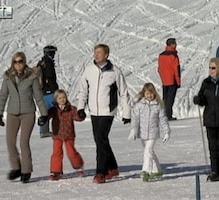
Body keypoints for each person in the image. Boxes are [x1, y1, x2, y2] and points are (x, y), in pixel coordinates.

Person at [77, 44, 132, 184]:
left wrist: (127, 112)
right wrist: (80, 108)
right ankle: (113, 167)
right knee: (101, 140)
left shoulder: (115, 72)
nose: (96, 55)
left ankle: (101, 172)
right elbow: (83, 90)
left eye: (99, 53)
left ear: (106, 55)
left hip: (108, 111)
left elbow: (124, 92)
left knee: (100, 139)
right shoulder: (89, 70)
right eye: (95, 52)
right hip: (94, 111)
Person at [0, 52, 49, 183]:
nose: (18, 64)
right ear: (12, 63)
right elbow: (3, 96)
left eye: (20, 61)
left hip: (28, 113)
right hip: (12, 113)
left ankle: (26, 170)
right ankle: (16, 168)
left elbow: (38, 97)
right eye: (15, 62)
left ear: (24, 62)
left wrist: (44, 114)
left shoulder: (32, 77)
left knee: (23, 142)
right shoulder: (8, 77)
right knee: (10, 142)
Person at [128, 82, 170, 182]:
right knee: (150, 152)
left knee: (147, 151)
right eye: (147, 93)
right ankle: (157, 170)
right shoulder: (139, 105)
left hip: (153, 133)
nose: (149, 95)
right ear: (144, 94)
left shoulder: (158, 105)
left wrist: (166, 131)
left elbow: (163, 119)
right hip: (142, 133)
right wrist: (134, 129)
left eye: (151, 93)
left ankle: (146, 171)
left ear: (154, 93)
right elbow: (135, 118)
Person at [48, 89, 85, 180]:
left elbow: (77, 117)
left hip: (69, 135)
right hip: (57, 134)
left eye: (63, 97)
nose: (62, 100)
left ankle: (79, 165)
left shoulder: (71, 109)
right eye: (59, 98)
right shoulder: (54, 110)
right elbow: (47, 116)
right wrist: (44, 118)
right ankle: (56, 171)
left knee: (71, 152)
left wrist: (81, 115)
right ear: (56, 99)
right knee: (57, 153)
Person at [35, 45, 59, 138]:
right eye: (53, 52)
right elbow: (50, 78)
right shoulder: (48, 62)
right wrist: (56, 91)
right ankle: (57, 131)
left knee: (45, 111)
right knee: (56, 111)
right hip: (50, 91)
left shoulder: (41, 62)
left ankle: (43, 131)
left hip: (42, 91)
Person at [158, 38, 181, 121]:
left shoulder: (161, 55)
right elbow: (176, 70)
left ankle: (163, 115)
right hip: (172, 80)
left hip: (165, 80)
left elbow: (159, 69)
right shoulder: (174, 56)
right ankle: (168, 115)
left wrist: (163, 77)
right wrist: (178, 82)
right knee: (170, 99)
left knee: (165, 98)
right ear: (172, 44)